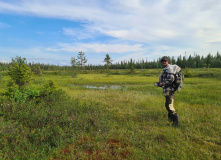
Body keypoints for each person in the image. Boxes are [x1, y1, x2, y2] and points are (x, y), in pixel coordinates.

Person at [156, 56, 180, 126]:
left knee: (169, 105)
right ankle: (171, 120)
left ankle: (176, 123)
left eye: (165, 61)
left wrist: (162, 83)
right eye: (162, 61)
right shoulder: (166, 68)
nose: (163, 62)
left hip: (169, 90)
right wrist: (160, 83)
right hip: (167, 89)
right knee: (167, 105)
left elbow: (170, 79)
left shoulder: (169, 68)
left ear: (168, 61)